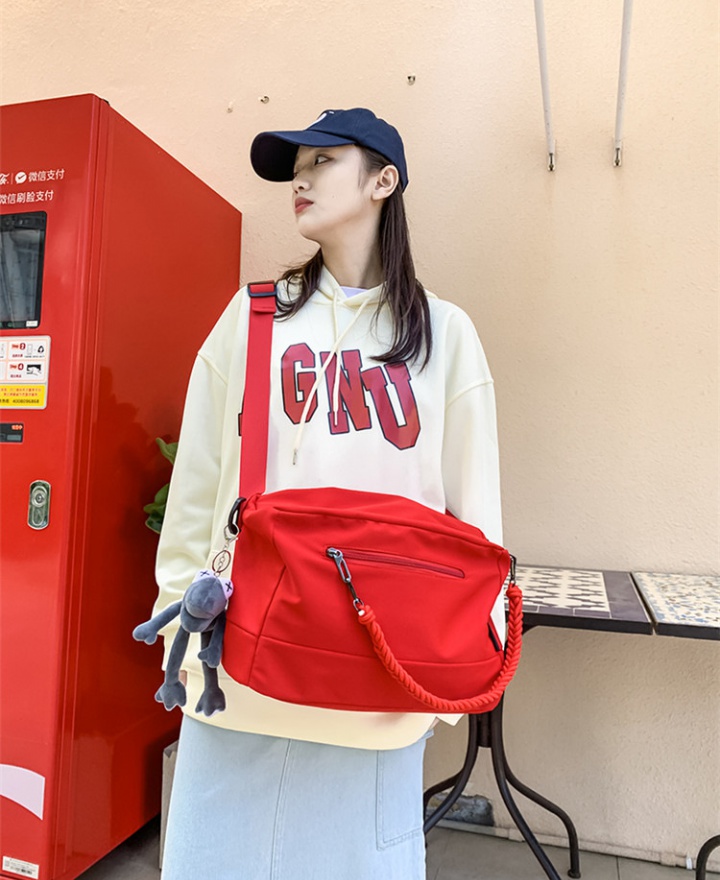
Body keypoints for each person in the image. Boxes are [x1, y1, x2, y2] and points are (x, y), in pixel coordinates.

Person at [155, 107, 504, 880]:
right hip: (242, 668)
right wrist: (180, 619)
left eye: (323, 161)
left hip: (382, 679)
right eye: (295, 168)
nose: (300, 180)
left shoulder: (444, 334)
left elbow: (476, 517)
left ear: (384, 181)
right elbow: (200, 483)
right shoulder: (254, 318)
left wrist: (454, 670)